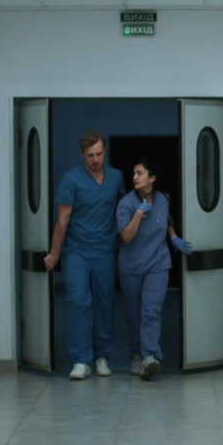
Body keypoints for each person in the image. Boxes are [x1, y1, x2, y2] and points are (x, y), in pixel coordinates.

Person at [44, 132, 123, 380]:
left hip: (105, 251)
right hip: (77, 251)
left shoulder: (116, 177)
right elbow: (62, 220)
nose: (96, 159)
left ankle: (102, 356)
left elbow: (122, 212)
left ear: (105, 152)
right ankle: (81, 359)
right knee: (78, 301)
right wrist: (54, 254)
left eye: (99, 154)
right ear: (82, 155)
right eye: (90, 155)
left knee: (105, 303)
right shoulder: (71, 179)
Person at [116, 159, 191, 380]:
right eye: (134, 173)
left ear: (152, 178)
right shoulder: (126, 204)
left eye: (140, 173)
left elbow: (166, 220)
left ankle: (150, 356)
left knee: (151, 311)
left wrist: (174, 237)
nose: (135, 177)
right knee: (134, 316)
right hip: (131, 267)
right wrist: (138, 214)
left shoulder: (163, 200)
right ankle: (136, 355)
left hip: (157, 264)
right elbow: (126, 237)